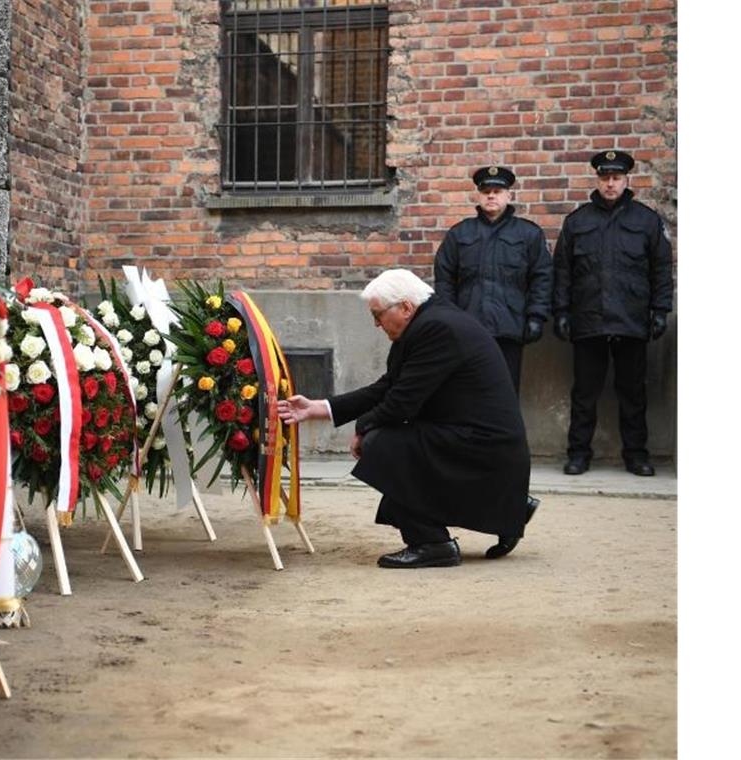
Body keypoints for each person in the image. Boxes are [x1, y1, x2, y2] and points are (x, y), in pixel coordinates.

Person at [278, 269, 537, 567]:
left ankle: (433, 543)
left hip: (484, 446)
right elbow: (388, 386)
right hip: (474, 439)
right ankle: (506, 505)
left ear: (405, 307)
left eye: (377, 315)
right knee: (391, 445)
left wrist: (364, 429)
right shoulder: (428, 322)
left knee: (382, 445)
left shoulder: (436, 328)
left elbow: (402, 403)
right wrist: (318, 408)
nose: (376, 324)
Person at [551, 150, 674, 476]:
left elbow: (661, 270)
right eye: (605, 178)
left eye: (616, 178)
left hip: (631, 320)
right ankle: (579, 454)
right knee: (584, 394)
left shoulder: (646, 221)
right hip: (588, 319)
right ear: (598, 179)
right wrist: (561, 311)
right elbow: (562, 270)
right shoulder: (577, 222)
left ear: (625, 180)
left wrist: (660, 310)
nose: (610, 183)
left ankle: (636, 455)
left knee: (633, 394)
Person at [433, 165, 553, 392]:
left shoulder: (528, 234)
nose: (491, 196)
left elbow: (542, 277)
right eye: (486, 191)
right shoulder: (460, 233)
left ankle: (505, 430)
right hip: (469, 328)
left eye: (497, 191)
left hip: (510, 327)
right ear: (478, 195)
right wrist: (450, 318)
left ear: (509, 194)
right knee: (468, 392)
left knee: (505, 392)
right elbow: (444, 278)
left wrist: (536, 316)